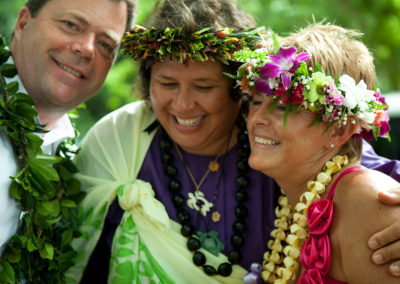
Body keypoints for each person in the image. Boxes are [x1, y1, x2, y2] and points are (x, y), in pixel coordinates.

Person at [67, 1, 400, 283]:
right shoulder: (122, 139)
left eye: (204, 87)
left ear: (238, 92)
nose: (183, 105)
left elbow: (351, 165)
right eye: (167, 83)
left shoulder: (282, 151)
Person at [239, 23, 400, 283]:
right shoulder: (295, 201)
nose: (257, 117)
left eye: (283, 107)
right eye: (256, 101)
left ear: (338, 131)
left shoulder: (370, 201)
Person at [0, 0, 136, 282]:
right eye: (71, 25)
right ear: (23, 23)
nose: (86, 48)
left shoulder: (73, 156)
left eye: (105, 44)